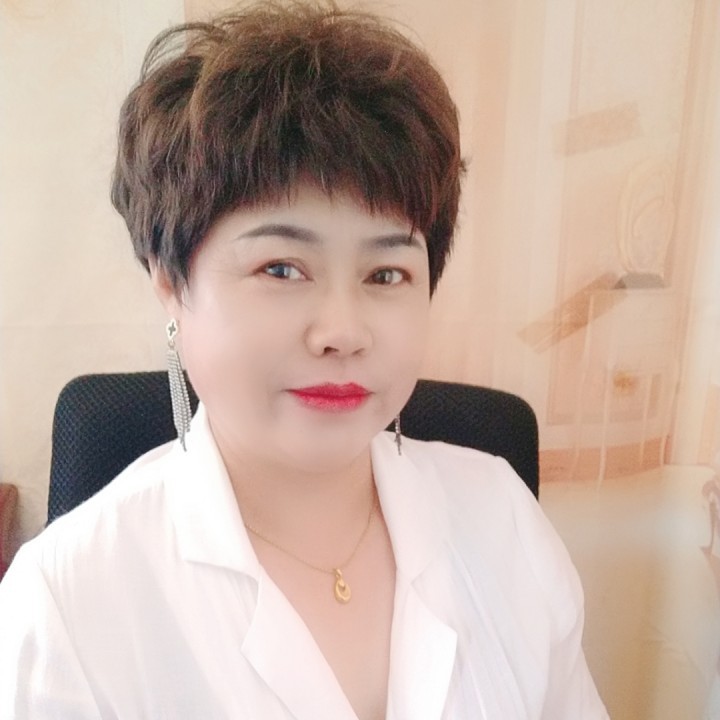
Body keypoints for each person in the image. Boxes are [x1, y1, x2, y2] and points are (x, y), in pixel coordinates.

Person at [0, 2, 609, 718]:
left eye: (386, 273)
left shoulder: (502, 517)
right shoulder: (66, 607)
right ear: (170, 283)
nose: (343, 332)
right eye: (282, 268)